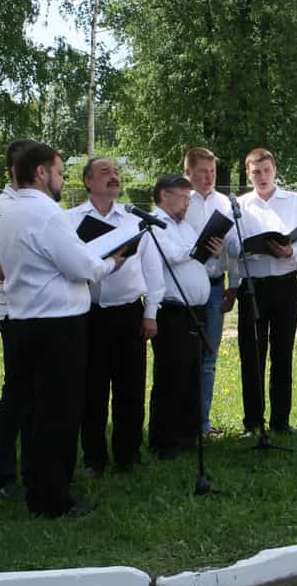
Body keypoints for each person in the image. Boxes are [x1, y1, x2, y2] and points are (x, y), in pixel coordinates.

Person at [0, 142, 128, 518]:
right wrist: (112, 261)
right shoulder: (48, 214)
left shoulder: (8, 211)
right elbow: (81, 268)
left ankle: (38, 490)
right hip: (57, 326)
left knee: (36, 414)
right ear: (40, 172)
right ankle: (53, 499)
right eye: (58, 171)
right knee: (58, 415)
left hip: (22, 320)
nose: (60, 178)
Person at [65, 158, 164, 477]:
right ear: (88, 182)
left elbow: (152, 270)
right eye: (105, 172)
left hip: (129, 313)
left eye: (116, 172)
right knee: (91, 389)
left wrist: (151, 313)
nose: (114, 177)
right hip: (88, 314)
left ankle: (128, 454)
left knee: (130, 388)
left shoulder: (135, 220)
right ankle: (94, 457)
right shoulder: (69, 220)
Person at [227, 149, 297, 436]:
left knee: (282, 354)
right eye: (256, 172)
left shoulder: (293, 201)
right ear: (248, 174)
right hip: (253, 287)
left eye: (266, 170)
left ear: (274, 170)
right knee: (252, 356)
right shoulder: (239, 205)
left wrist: (292, 250)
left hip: (286, 284)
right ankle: (253, 422)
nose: (262, 176)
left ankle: (280, 420)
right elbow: (230, 245)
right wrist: (248, 251)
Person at [148, 175, 219, 459]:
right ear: (165, 195)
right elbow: (171, 255)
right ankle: (164, 441)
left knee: (191, 374)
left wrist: (210, 250)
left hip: (196, 310)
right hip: (172, 310)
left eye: (190, 199)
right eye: (184, 197)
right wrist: (197, 247)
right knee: (170, 376)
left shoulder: (186, 227)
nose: (188, 203)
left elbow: (196, 258)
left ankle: (188, 435)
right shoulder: (154, 224)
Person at [0, 139, 38, 500]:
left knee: (37, 398)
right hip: (15, 313)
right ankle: (1, 475)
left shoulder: (41, 207)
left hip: (43, 314)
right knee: (16, 396)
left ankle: (38, 469)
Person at [182, 147, 235, 437]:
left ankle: (202, 423)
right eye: (203, 171)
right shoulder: (179, 201)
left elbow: (235, 247)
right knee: (182, 357)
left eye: (212, 171)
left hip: (215, 287)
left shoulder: (225, 203)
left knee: (208, 358)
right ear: (188, 171)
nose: (209, 176)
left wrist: (234, 285)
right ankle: (180, 424)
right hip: (184, 291)